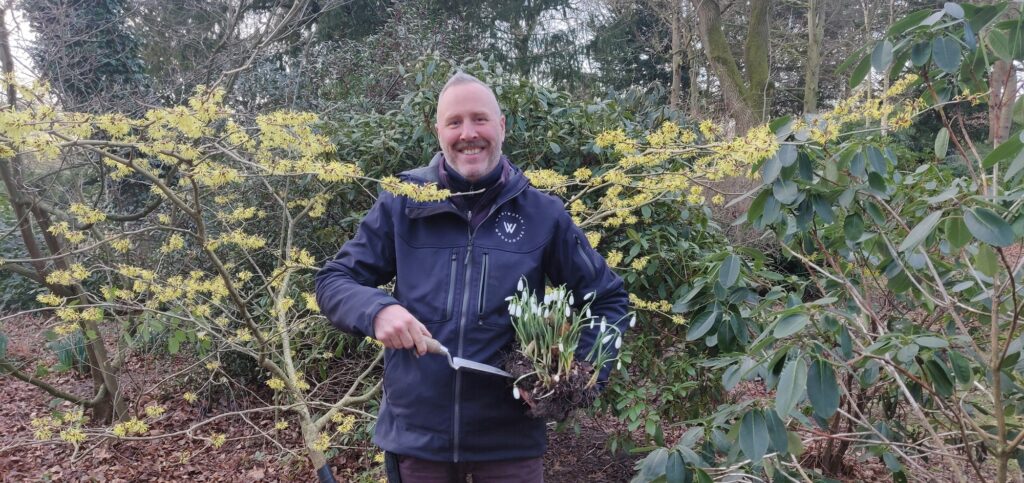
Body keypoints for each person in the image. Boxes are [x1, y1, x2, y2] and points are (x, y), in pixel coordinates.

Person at [315, 72, 629, 483]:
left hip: (509, 447)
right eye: (454, 122)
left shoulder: (542, 214)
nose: (468, 134)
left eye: (480, 119)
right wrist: (377, 311)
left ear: (502, 126)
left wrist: (577, 374)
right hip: (417, 444)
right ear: (438, 132)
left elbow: (608, 301)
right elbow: (334, 280)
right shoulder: (402, 204)